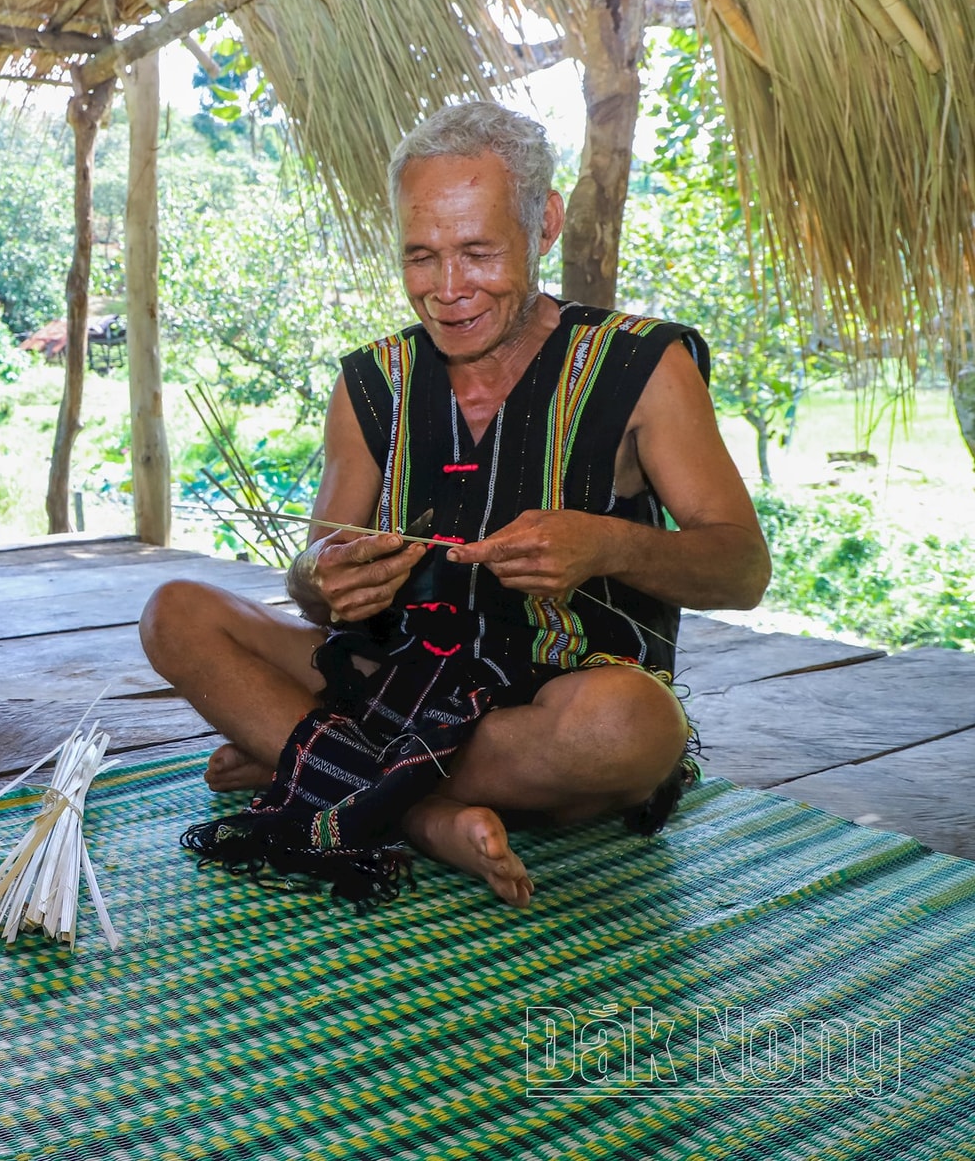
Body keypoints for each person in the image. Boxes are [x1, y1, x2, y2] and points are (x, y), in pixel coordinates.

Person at [141, 101, 770, 909]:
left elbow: (742, 567)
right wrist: (324, 579)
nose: (447, 291)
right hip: (388, 679)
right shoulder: (372, 384)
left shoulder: (641, 367)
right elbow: (312, 581)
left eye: (477, 252)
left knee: (632, 729)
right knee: (176, 613)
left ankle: (317, 760)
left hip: (549, 703)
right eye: (420, 256)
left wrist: (608, 545)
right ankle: (422, 816)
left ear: (543, 224)